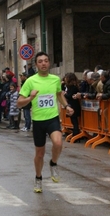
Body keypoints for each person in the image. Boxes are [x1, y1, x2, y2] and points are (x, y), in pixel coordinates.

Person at [17, 51, 74, 193]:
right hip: (38, 121)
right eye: (40, 61)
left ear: (49, 63)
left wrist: (66, 106)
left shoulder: (55, 79)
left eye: (46, 61)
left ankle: (53, 163)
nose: (43, 63)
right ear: (36, 65)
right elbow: (19, 103)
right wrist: (30, 98)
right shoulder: (30, 81)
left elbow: (59, 94)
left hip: (52, 118)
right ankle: (38, 178)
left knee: (58, 143)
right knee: (40, 154)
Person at [64, 72, 81, 137]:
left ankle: (76, 134)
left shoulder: (73, 87)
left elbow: (69, 96)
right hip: (71, 104)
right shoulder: (69, 86)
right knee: (73, 121)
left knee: (74, 121)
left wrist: (65, 94)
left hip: (74, 105)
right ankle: (75, 133)